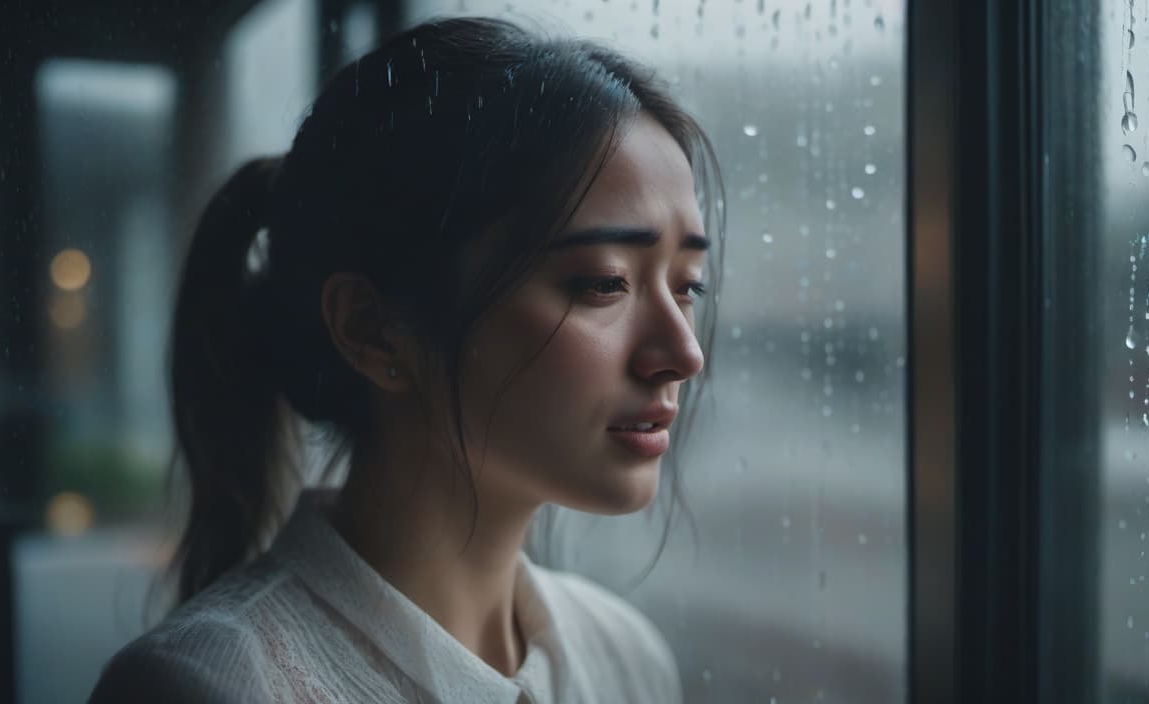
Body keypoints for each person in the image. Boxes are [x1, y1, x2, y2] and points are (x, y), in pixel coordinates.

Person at [87, 13, 725, 704]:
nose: (683, 353)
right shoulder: (208, 686)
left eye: (688, 286)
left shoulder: (627, 661)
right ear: (374, 330)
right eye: (603, 282)